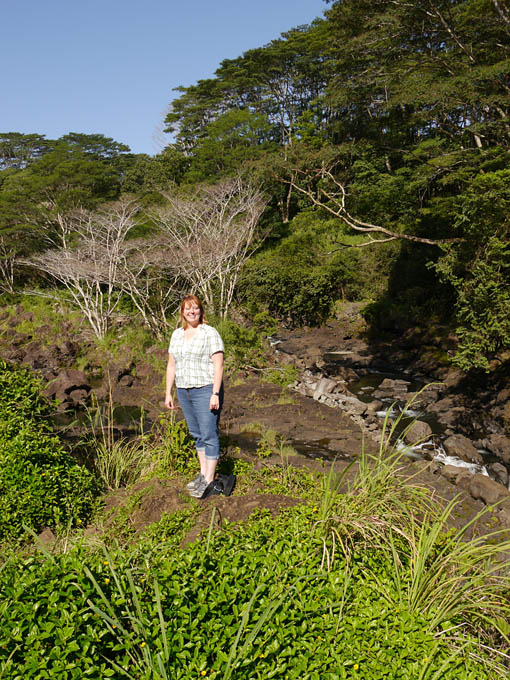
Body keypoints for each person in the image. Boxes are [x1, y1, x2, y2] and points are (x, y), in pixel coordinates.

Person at [165, 295, 224, 498]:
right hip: (184, 389)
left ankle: (210, 479)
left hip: (205, 389)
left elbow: (219, 364)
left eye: (196, 309)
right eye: (188, 309)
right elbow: (172, 366)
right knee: (196, 433)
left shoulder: (209, 333)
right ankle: (202, 473)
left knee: (209, 434)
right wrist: (168, 392)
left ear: (201, 311)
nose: (192, 312)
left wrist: (215, 393)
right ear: (182, 312)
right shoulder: (176, 335)